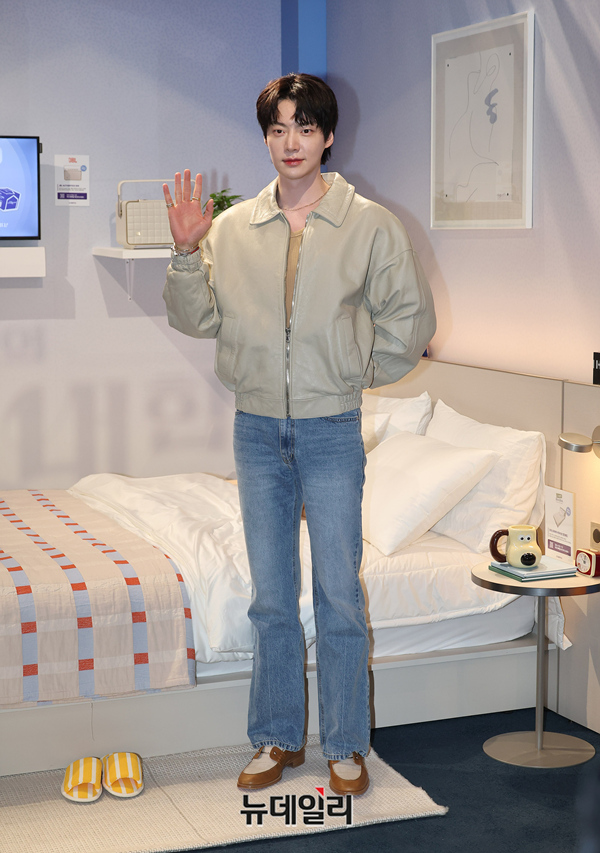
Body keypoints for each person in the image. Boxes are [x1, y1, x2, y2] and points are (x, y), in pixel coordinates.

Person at [162, 73, 436, 796]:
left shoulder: (370, 225)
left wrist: (351, 372)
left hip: (331, 428)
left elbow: (410, 320)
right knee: (271, 595)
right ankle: (278, 737)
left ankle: (345, 743)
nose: (292, 142)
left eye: (305, 128)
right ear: (265, 138)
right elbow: (196, 319)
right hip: (256, 430)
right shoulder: (232, 229)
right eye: (279, 128)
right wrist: (186, 254)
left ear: (328, 136)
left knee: (339, 592)